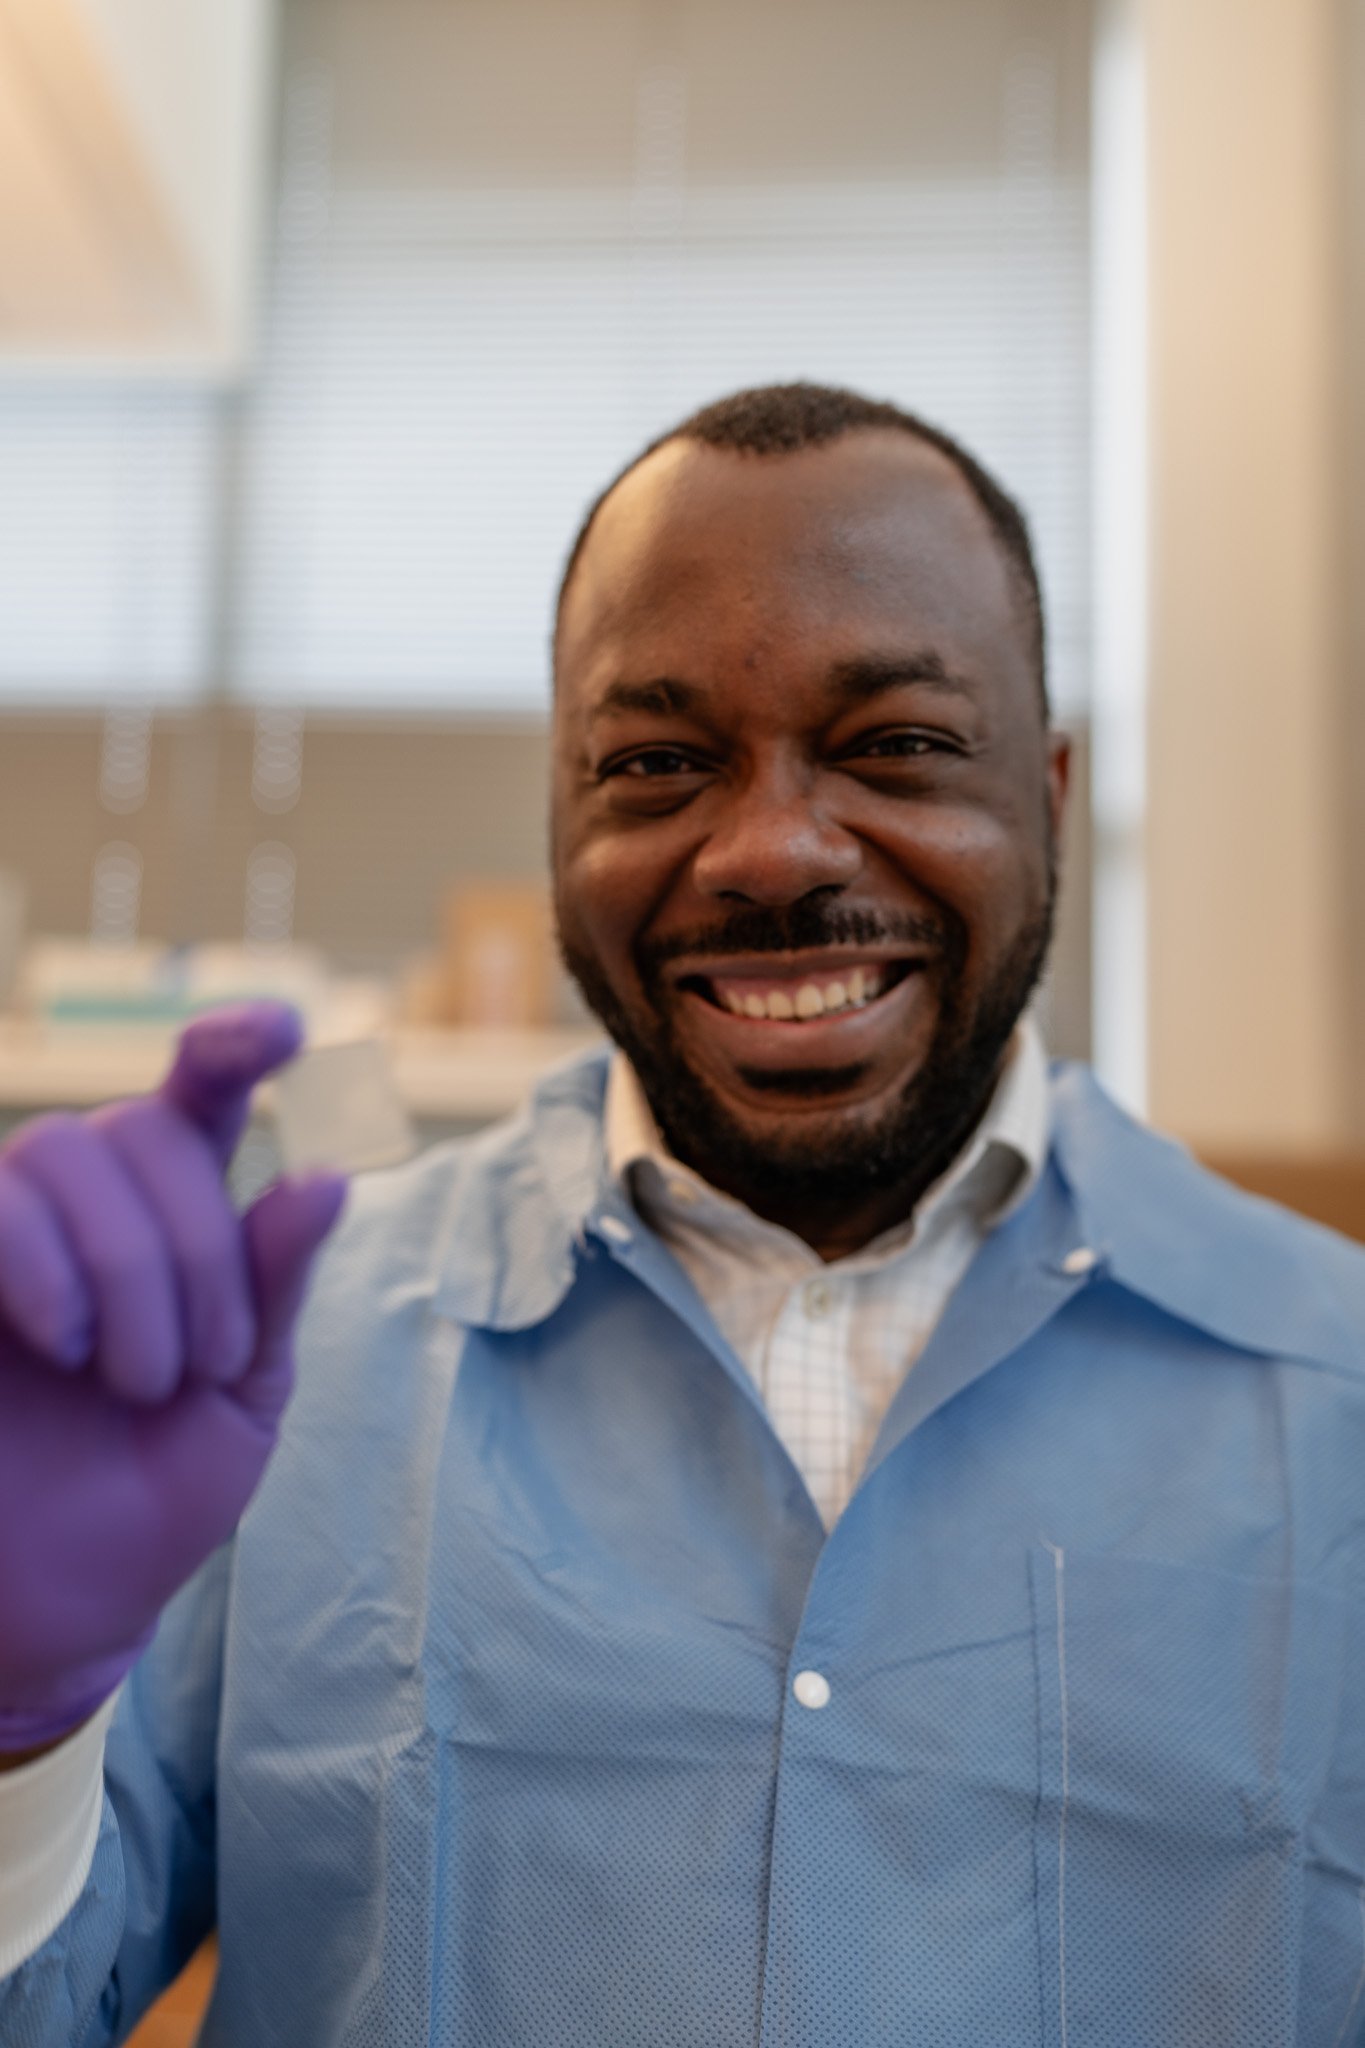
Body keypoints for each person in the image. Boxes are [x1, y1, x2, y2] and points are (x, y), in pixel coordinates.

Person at [1, 382, 1364, 2048]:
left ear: (1054, 795)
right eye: (655, 764)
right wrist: (16, 1716)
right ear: (561, 817)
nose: (775, 852)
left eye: (896, 748)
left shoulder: (1336, 1392)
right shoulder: (268, 1373)